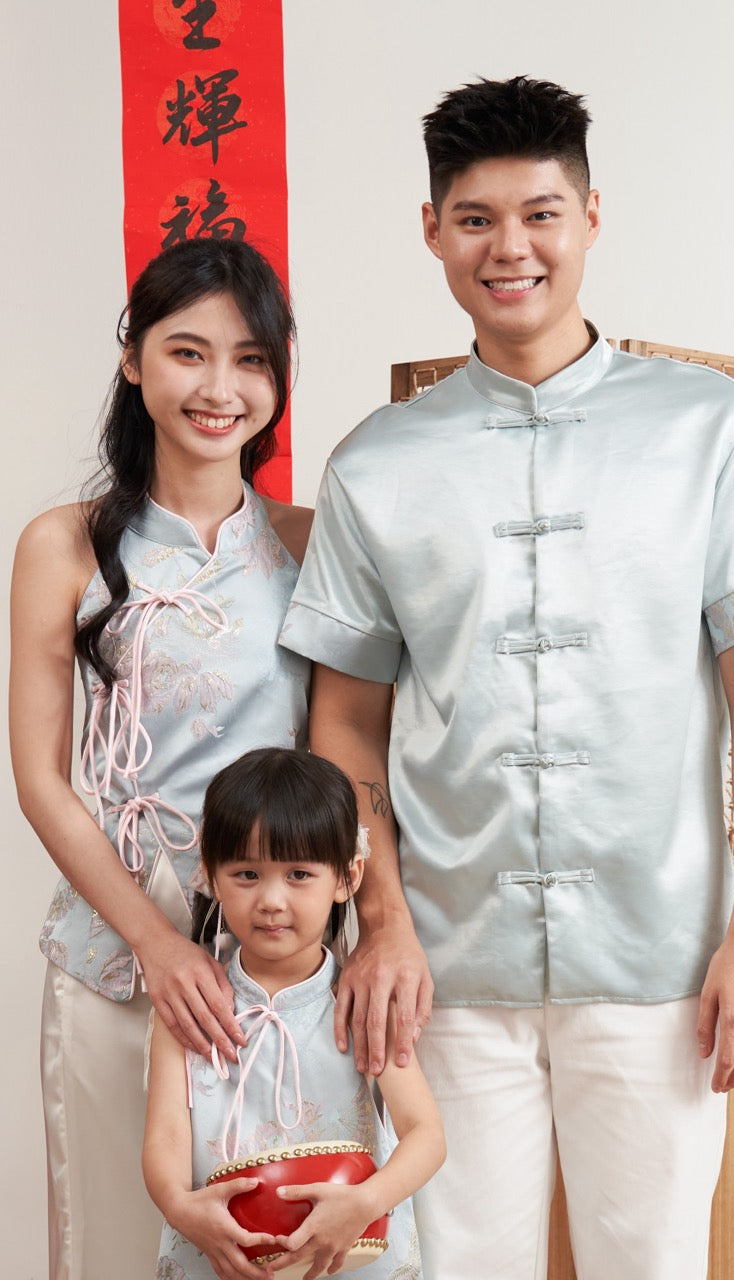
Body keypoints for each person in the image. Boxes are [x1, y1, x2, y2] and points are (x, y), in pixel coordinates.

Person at [280, 76, 734, 1280]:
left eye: (540, 213)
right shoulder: (377, 463)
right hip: (445, 970)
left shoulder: (710, 427)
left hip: (663, 960)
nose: (511, 247)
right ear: (431, 230)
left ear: (591, 215)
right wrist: (383, 922)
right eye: (475, 218)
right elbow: (347, 716)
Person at [10, 238, 313, 1280]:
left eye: (250, 359)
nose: (220, 388)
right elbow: (41, 779)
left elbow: (341, 757)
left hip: (273, 964)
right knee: (108, 1249)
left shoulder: (311, 543)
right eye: (188, 352)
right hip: (112, 957)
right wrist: (155, 942)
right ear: (133, 358)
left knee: (266, 1248)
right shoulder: (64, 542)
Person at [144, 747, 444, 1280]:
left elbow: (426, 1135)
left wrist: (367, 1201)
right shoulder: (192, 1007)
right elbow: (166, 1137)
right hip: (224, 1255)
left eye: (299, 873)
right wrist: (179, 1206)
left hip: (350, 1255)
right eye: (247, 873)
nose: (272, 900)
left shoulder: (360, 1003)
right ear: (210, 876)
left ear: (348, 877)